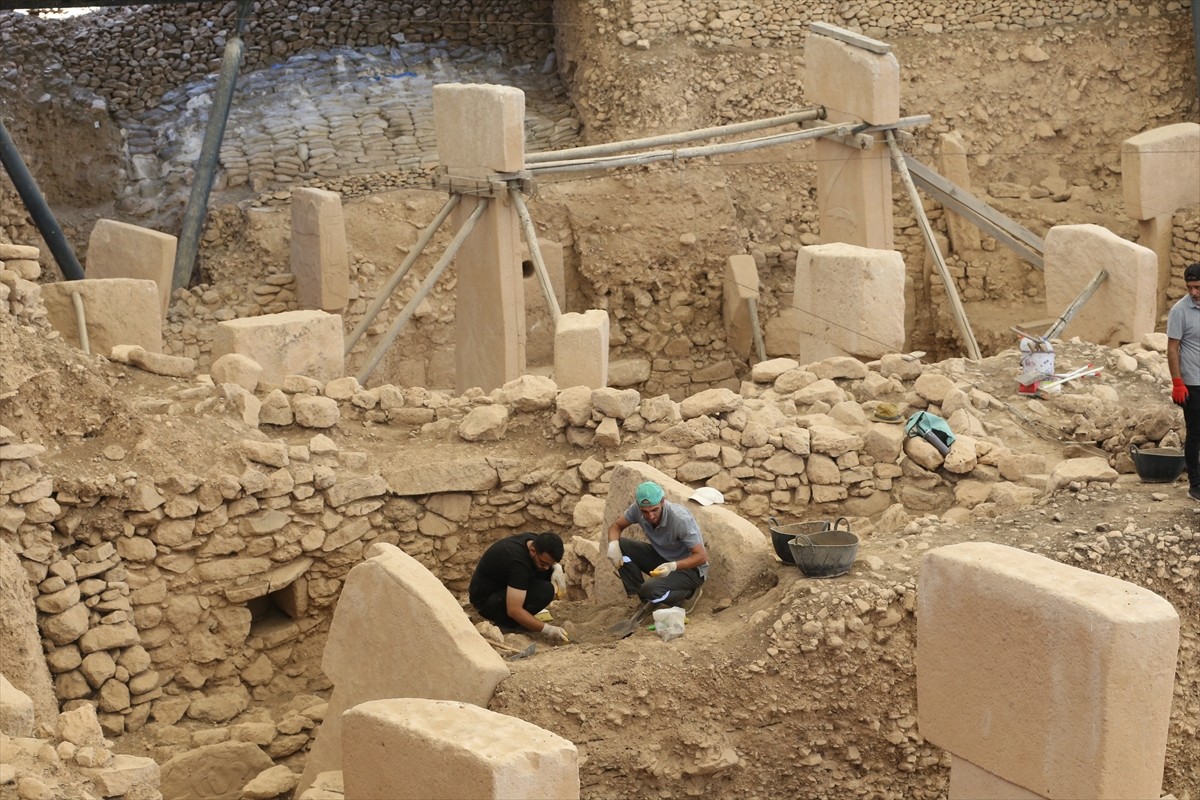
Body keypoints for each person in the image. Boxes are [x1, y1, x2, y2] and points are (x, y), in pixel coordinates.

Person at [606, 480, 708, 606]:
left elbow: (701, 556)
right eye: (645, 512)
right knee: (621, 545)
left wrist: (672, 566)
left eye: (655, 510)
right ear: (638, 505)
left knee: (650, 590)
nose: (651, 516)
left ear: (663, 501)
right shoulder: (637, 509)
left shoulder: (680, 519)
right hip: (663, 559)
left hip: (690, 569)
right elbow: (616, 526)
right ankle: (643, 599)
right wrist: (613, 545)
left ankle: (689, 594)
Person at [469, 531, 569, 641]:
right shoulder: (518, 563)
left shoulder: (535, 541)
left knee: (546, 573)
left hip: (502, 586)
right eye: (544, 563)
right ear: (532, 551)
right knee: (545, 590)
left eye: (550, 564)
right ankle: (507, 624)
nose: (546, 567)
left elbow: (544, 564)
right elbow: (514, 610)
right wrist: (548, 629)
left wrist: (556, 568)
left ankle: (522, 620)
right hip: (485, 601)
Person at [1167, 261, 1200, 502]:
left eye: (1197, 287)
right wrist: (1178, 382)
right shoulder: (1180, 311)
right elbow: (1172, 348)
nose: (1193, 293)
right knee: (1195, 434)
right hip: (1193, 383)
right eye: (1189, 288)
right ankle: (1195, 485)